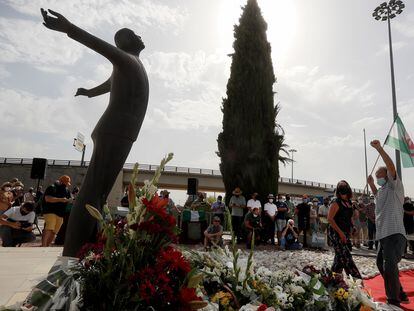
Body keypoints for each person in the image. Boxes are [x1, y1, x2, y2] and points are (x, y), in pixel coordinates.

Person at [41, 8, 150, 257]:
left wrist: (90, 92)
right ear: (124, 42)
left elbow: (109, 84)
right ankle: (70, 256)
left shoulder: (131, 64)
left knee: (98, 193)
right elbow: (98, 45)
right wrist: (69, 29)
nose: (140, 36)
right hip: (115, 130)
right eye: (133, 33)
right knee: (92, 191)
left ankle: (86, 251)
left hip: (121, 131)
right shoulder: (125, 58)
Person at [367, 139, 408, 307]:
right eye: (377, 178)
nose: (379, 180)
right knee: (381, 264)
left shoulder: (394, 187)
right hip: (383, 235)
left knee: (389, 265)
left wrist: (379, 150)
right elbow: (377, 195)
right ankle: (399, 291)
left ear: (388, 177)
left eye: (380, 177)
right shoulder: (382, 190)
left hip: (394, 233)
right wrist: (371, 185)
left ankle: (393, 300)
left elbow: (391, 167)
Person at [327, 180, 362, 279]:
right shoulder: (335, 202)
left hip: (345, 232)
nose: (343, 195)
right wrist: (340, 233)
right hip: (335, 232)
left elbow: (349, 217)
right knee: (346, 257)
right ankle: (357, 279)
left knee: (339, 257)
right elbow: (330, 219)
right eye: (341, 192)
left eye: (345, 192)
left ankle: (333, 279)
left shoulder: (349, 203)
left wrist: (353, 226)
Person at [41, 175, 72, 247]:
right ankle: (43, 246)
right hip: (50, 211)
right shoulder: (52, 187)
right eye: (65, 183)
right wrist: (60, 199)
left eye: (67, 184)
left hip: (60, 213)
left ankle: (47, 246)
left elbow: (69, 199)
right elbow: (47, 199)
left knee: (54, 231)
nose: (66, 185)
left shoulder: (67, 190)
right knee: (49, 228)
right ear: (61, 181)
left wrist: (71, 200)